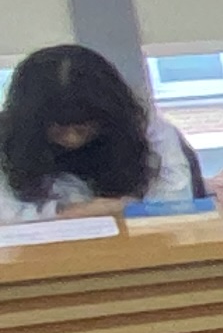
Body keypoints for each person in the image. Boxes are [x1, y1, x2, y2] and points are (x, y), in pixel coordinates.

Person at [1, 46, 204, 219]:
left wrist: (129, 209)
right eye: (59, 129)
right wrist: (69, 212)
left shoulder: (146, 130)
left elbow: (176, 204)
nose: (72, 139)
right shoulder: (8, 139)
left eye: (82, 128)